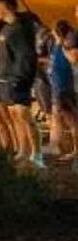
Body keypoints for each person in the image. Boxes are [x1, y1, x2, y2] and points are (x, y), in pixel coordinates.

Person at [0, 0, 43, 164]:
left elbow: (25, 55)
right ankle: (23, 150)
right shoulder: (6, 28)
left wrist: (19, 77)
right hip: (4, 79)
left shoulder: (19, 29)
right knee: (15, 116)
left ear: (6, 7)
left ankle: (37, 153)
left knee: (24, 115)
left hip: (16, 79)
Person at [45, 20, 78, 164]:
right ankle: (56, 145)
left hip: (64, 89)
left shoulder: (65, 46)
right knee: (58, 117)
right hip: (57, 88)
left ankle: (70, 149)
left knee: (71, 120)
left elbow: (73, 60)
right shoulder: (56, 46)